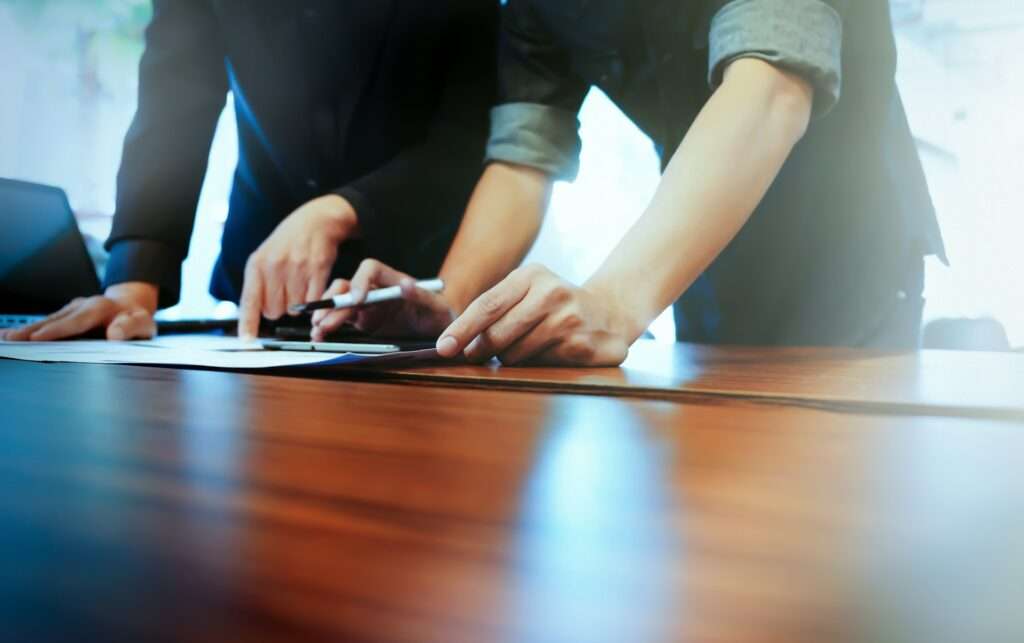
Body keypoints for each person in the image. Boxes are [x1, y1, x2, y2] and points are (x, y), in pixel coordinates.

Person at [322, 0, 945, 365]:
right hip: (704, 256)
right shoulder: (536, 12)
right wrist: (453, 304)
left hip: (850, 257)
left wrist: (615, 300)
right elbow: (523, 160)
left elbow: (772, 89)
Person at [2, 0, 495, 342]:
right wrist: (135, 280)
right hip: (259, 296)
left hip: (425, 285)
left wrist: (346, 209)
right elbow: (176, 101)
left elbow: (470, 138)